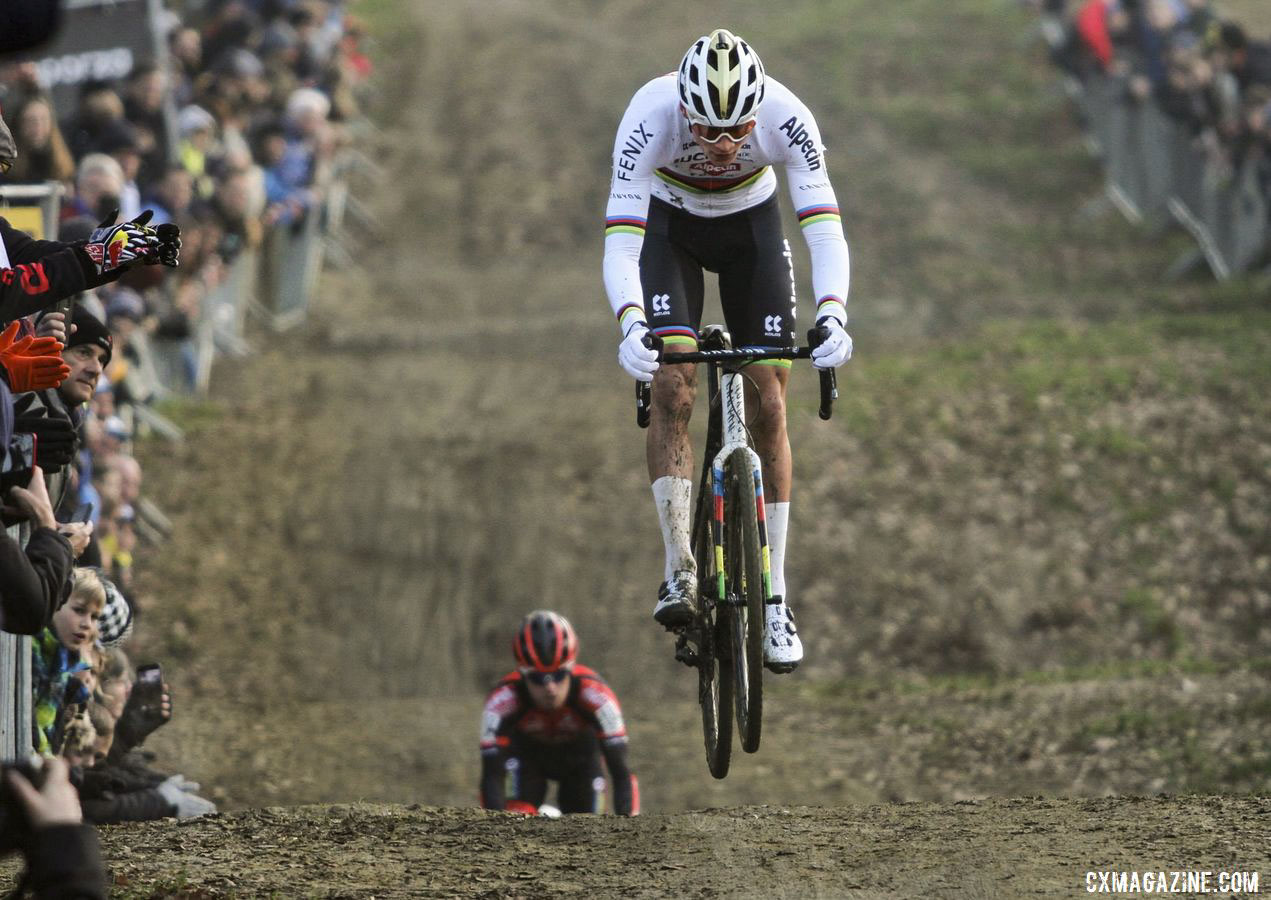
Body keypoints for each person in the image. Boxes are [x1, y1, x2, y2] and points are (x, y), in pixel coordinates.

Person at [602, 29, 854, 672]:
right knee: (673, 385)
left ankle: (774, 599)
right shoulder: (648, 116)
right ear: (683, 108)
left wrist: (833, 314)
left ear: (757, 109)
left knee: (771, 401)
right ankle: (678, 568)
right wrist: (632, 323)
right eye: (708, 130)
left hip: (751, 231)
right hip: (668, 232)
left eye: (737, 130)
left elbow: (823, 227)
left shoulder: (787, 117)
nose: (722, 146)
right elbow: (623, 244)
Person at [479, 611, 639, 817]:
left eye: (559, 675)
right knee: (515, 817)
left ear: (572, 668)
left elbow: (622, 771)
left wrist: (629, 828)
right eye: (537, 678)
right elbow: (491, 775)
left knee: (591, 826)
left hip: (581, 761)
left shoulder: (597, 696)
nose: (550, 688)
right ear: (522, 673)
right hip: (526, 760)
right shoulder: (501, 701)